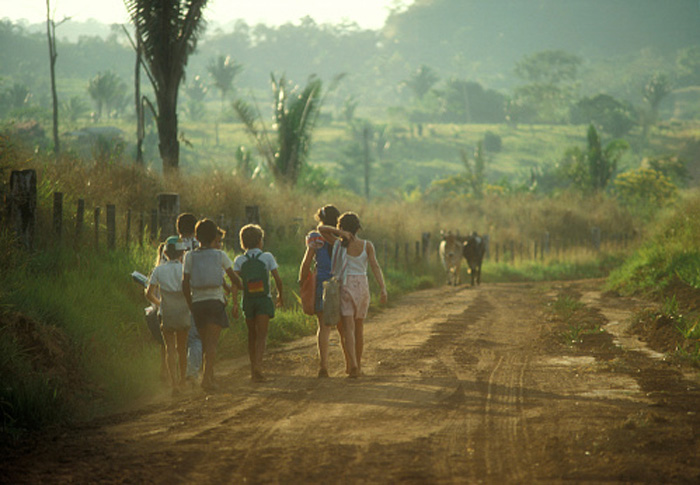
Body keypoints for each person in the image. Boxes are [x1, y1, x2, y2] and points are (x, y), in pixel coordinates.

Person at [320, 212, 388, 378]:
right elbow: (375, 267)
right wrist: (383, 288)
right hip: (362, 286)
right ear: (358, 228)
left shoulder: (338, 244)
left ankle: (354, 366)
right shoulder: (367, 245)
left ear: (341, 227)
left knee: (348, 329)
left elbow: (321, 228)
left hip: (345, 286)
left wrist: (340, 233)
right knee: (359, 329)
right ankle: (357, 363)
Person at [182, 219, 242, 392]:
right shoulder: (219, 255)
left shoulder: (190, 256)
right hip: (215, 302)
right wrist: (241, 286)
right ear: (214, 235)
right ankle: (207, 380)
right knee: (212, 344)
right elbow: (233, 277)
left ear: (196, 236)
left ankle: (207, 376)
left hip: (198, 303)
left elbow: (185, 283)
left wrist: (190, 304)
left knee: (203, 342)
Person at [298, 205, 348, 378]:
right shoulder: (342, 239)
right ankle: (350, 364)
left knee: (324, 326)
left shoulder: (315, 237)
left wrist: (302, 280)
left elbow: (306, 263)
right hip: (339, 283)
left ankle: (324, 366)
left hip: (321, 283)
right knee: (343, 328)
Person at [232, 224, 284, 382]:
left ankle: (253, 366)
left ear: (242, 242)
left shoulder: (239, 260)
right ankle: (258, 367)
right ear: (260, 241)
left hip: (247, 300)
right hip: (263, 300)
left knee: (251, 335)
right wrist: (280, 295)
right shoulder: (267, 257)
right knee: (262, 335)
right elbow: (277, 279)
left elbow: (235, 283)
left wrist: (234, 303)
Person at [145, 236, 191, 395]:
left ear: (165, 252)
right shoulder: (185, 269)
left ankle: (173, 384)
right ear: (181, 253)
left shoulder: (159, 270)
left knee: (169, 348)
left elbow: (149, 294)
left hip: (167, 314)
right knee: (182, 348)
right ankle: (183, 380)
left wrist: (160, 304)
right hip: (183, 313)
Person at [176, 213, 203, 384]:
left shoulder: (172, 245)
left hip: (174, 294)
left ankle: (175, 374)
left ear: (178, 228)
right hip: (195, 293)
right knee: (195, 336)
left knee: (178, 338)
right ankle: (192, 372)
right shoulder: (199, 246)